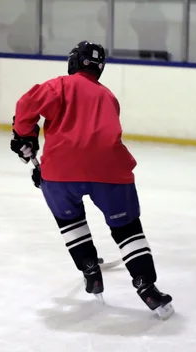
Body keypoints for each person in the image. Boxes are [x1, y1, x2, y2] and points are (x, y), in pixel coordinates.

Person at [10, 40, 173, 319]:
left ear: (74, 61)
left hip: (60, 173)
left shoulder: (60, 85)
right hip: (110, 172)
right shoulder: (108, 96)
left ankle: (90, 271)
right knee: (127, 229)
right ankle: (147, 287)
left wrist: (24, 135)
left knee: (69, 221)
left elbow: (26, 105)